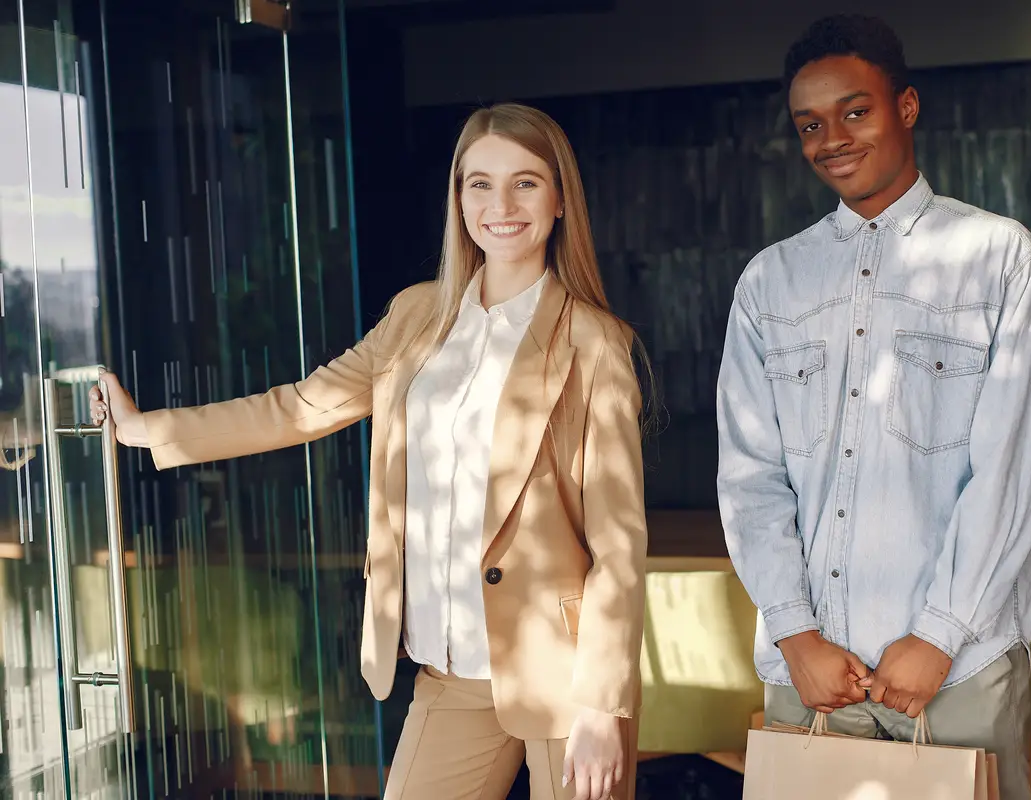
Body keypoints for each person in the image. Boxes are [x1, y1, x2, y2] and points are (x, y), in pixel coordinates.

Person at [90, 102, 649, 800]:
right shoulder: (417, 314)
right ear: (458, 197)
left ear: (560, 198)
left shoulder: (594, 341)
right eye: (479, 183)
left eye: (525, 183)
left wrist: (601, 704)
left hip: (565, 675)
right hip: (449, 671)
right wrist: (147, 429)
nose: (500, 205)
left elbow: (619, 546)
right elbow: (300, 406)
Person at [715, 14, 1031, 799]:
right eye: (810, 123)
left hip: (957, 667)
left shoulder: (998, 258)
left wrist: (937, 635)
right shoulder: (769, 283)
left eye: (854, 111)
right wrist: (795, 632)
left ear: (905, 107)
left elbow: (1011, 468)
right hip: (811, 674)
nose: (831, 137)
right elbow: (750, 476)